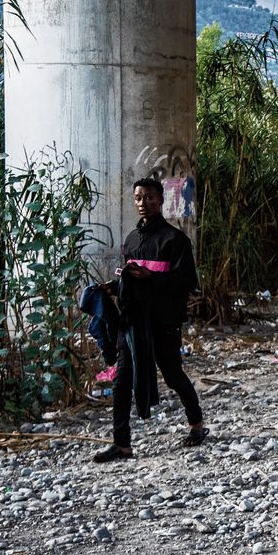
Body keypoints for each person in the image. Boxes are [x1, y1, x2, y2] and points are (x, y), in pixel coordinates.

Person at [92, 178, 207, 462]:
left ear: (161, 200)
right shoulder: (132, 239)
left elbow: (187, 280)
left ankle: (197, 425)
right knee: (121, 381)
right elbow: (128, 282)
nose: (143, 203)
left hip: (163, 321)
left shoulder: (175, 240)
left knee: (172, 374)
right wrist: (112, 287)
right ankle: (122, 444)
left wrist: (152, 277)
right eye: (138, 198)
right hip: (132, 322)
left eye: (149, 198)